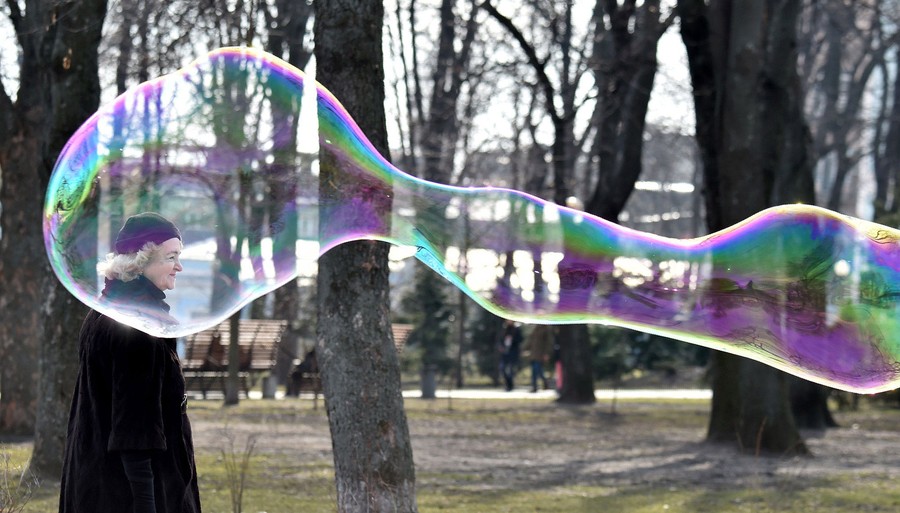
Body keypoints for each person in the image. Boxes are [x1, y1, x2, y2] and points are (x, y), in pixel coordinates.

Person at [60, 212, 201, 513]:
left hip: (95, 484)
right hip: (129, 494)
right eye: (171, 256)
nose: (179, 266)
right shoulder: (139, 326)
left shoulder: (103, 312)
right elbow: (135, 432)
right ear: (142, 259)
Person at [523, 324, 554, 392]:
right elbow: (530, 340)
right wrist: (525, 349)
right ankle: (544, 384)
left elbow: (549, 342)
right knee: (538, 371)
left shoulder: (546, 329)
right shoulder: (535, 328)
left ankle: (536, 386)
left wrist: (547, 353)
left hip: (540, 354)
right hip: (534, 354)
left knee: (536, 370)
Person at [498, 320, 522, 391]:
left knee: (511, 370)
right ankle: (508, 384)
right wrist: (501, 346)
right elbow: (501, 339)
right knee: (502, 368)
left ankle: (510, 385)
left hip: (513, 352)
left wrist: (513, 339)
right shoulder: (505, 328)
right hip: (505, 352)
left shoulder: (517, 329)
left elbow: (520, 339)